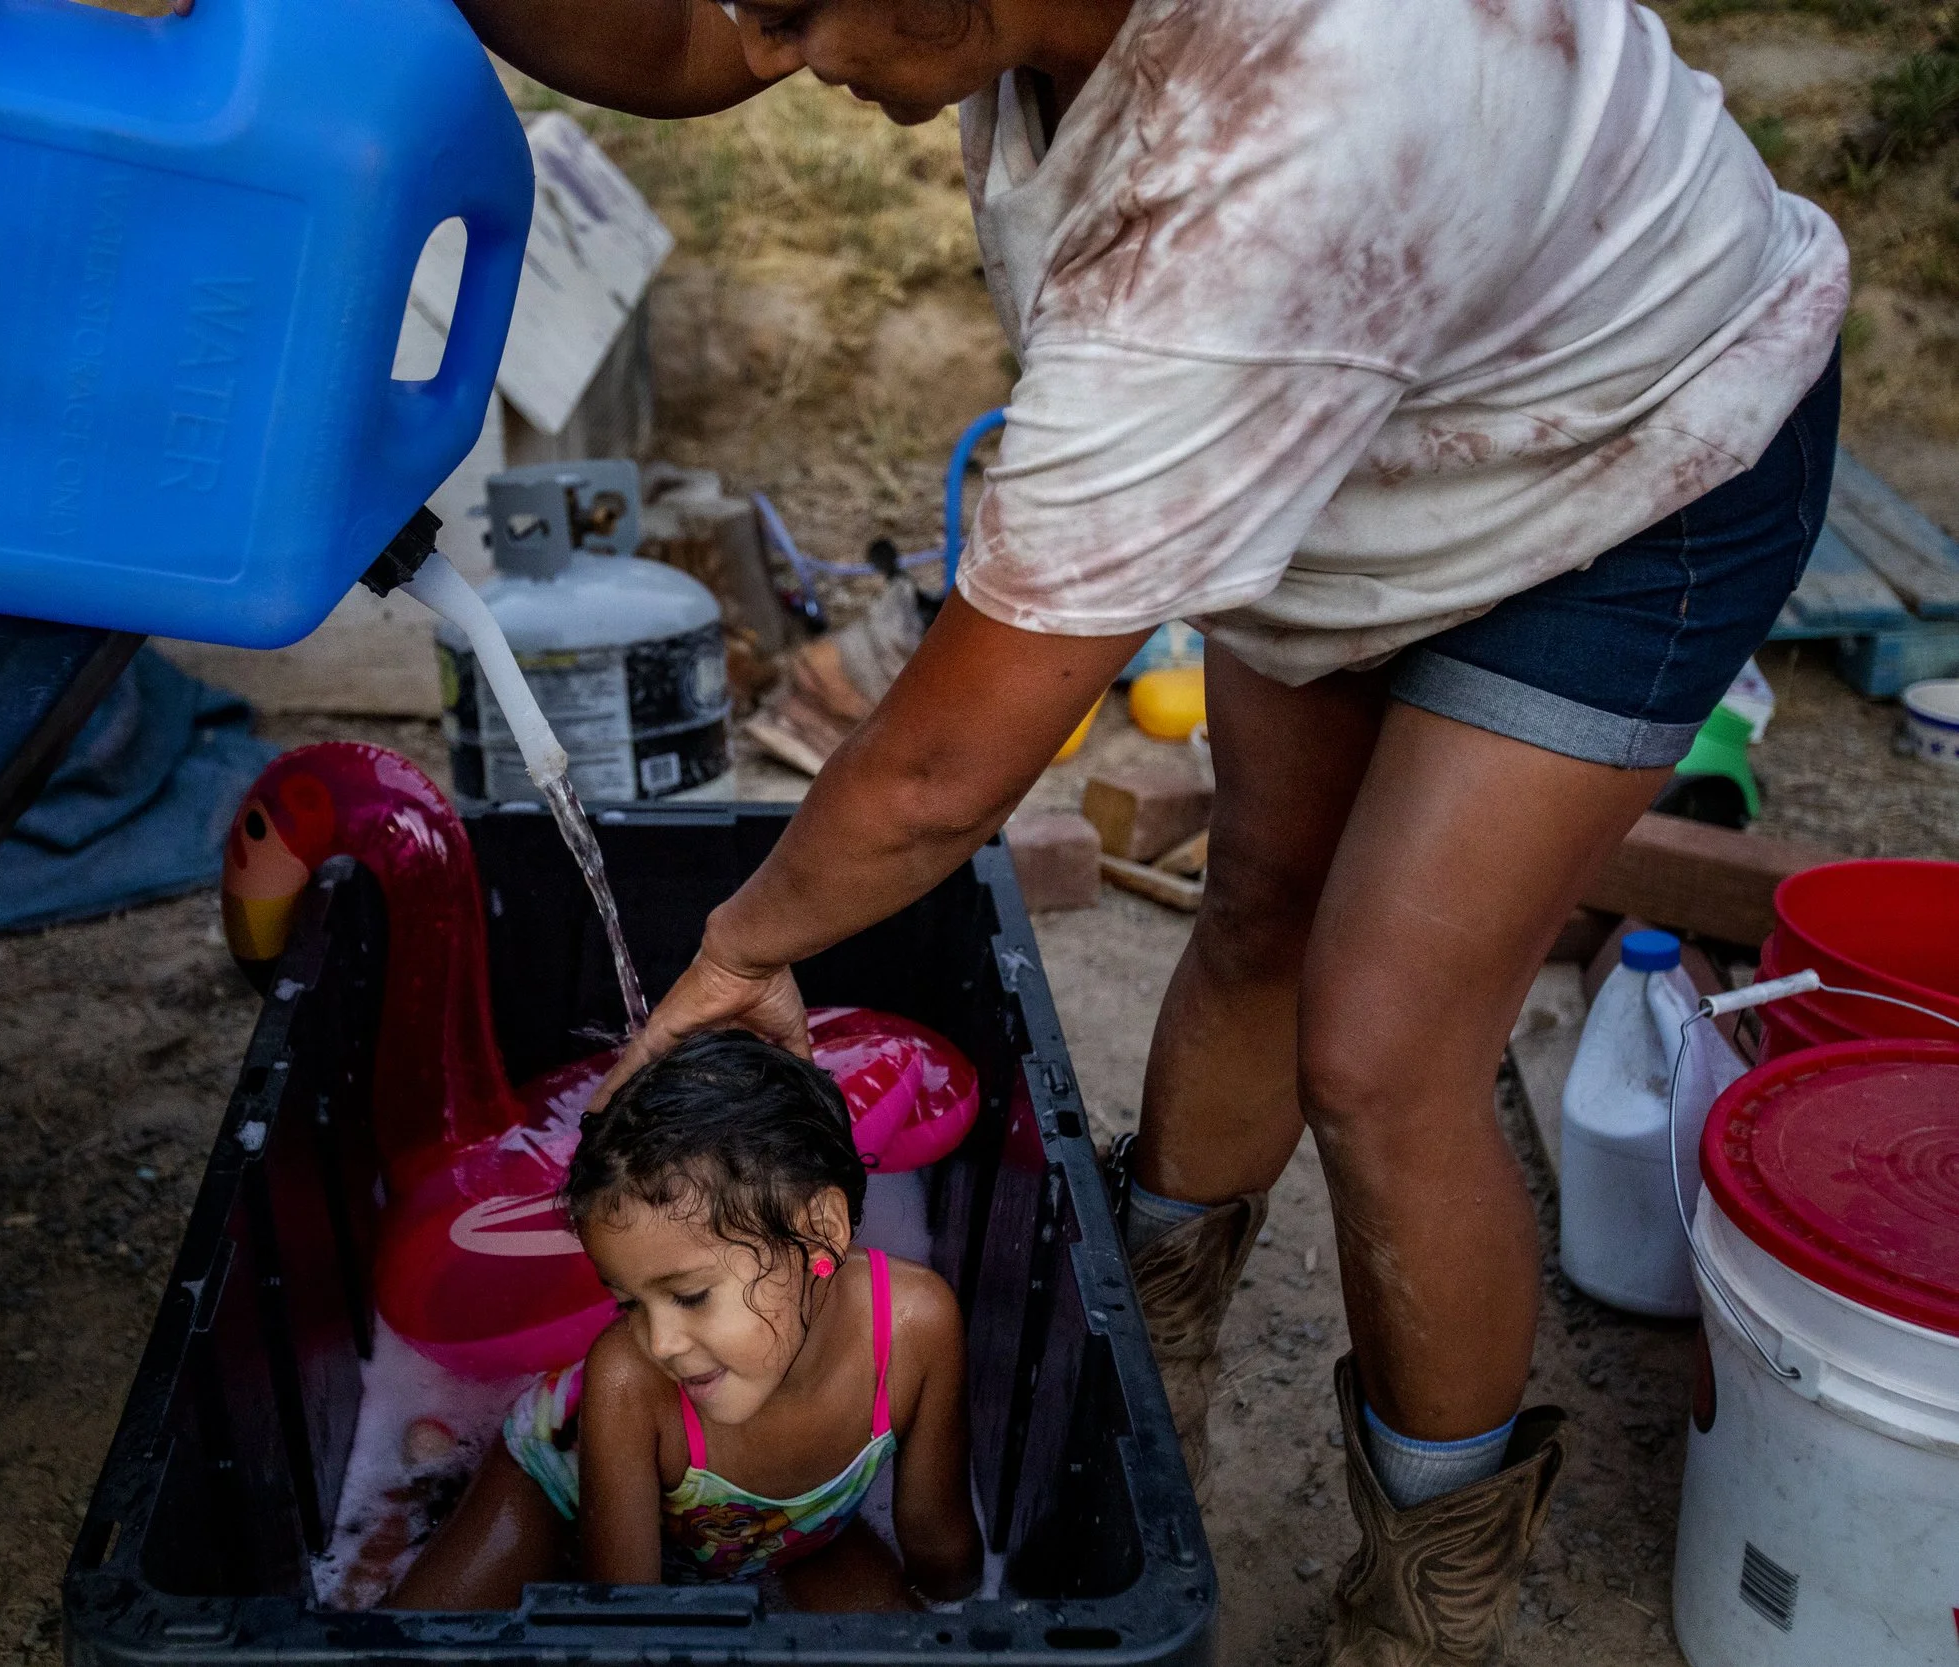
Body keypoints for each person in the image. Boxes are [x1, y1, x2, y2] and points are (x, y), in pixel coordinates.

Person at [459, 0, 1847, 1658]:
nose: (795, 66)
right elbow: (690, 45)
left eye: (793, 17)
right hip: (1390, 387)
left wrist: (746, 946)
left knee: (1385, 1048)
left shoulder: (1254, 182)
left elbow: (936, 779)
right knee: (1258, 897)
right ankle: (1150, 1360)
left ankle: (1428, 1591)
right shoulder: (1065, 72)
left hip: (1635, 458)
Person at [388, 1031, 982, 1611]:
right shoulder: (627, 1377)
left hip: (798, 1536)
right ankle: (426, 1492)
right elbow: (627, 1618)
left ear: (819, 1230)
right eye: (628, 1303)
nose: (660, 1343)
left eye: (692, 1295)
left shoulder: (914, 1325)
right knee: (416, 1642)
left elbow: (942, 1549)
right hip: (559, 1467)